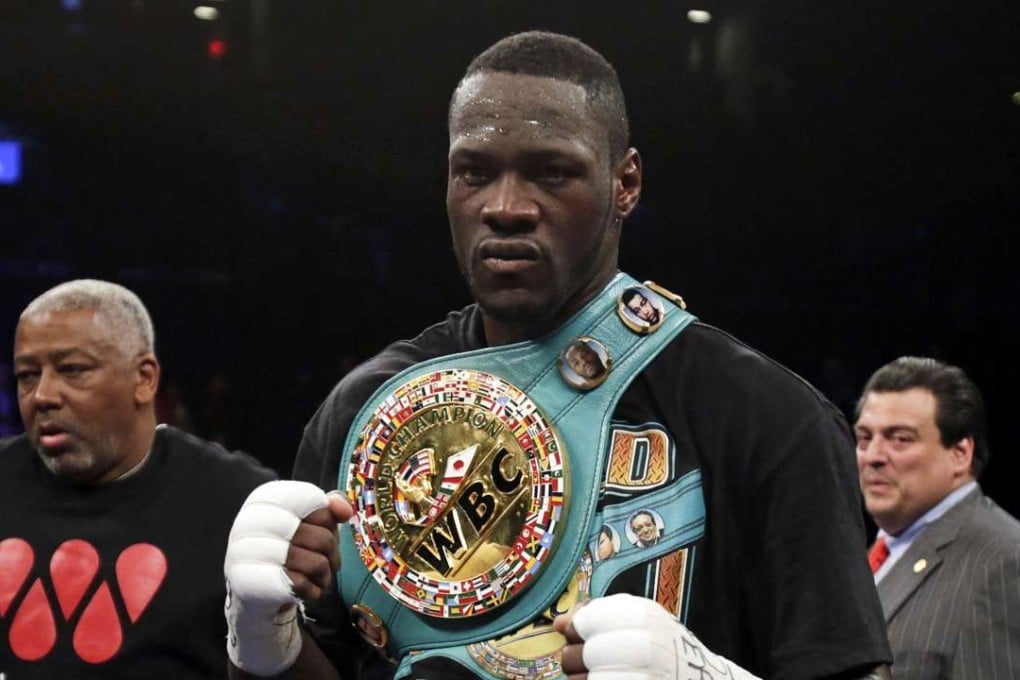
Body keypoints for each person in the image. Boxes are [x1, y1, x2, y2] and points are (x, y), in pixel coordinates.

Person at [224, 31, 891, 679]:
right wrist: (262, 644)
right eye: (475, 172)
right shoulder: (365, 411)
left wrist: (706, 677)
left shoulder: (766, 419)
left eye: (551, 172)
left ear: (625, 184)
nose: (506, 207)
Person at [0, 279, 276, 678]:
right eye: (27, 375)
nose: (42, 395)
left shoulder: (237, 500)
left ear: (144, 379)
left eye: (71, 370)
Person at [854, 356, 1020, 677]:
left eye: (900, 439)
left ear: (960, 453)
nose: (873, 456)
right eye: (864, 438)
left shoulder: (1003, 562)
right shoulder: (872, 557)